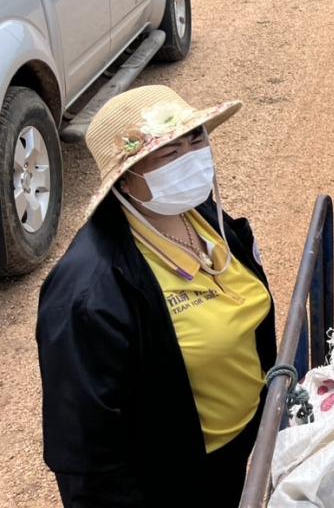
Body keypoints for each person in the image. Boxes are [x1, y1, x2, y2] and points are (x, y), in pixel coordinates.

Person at [37, 86, 274, 508]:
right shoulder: (88, 294)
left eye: (197, 138)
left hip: (244, 447)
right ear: (126, 178)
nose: (193, 158)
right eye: (169, 152)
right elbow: (88, 459)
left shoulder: (204, 219)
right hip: (177, 481)